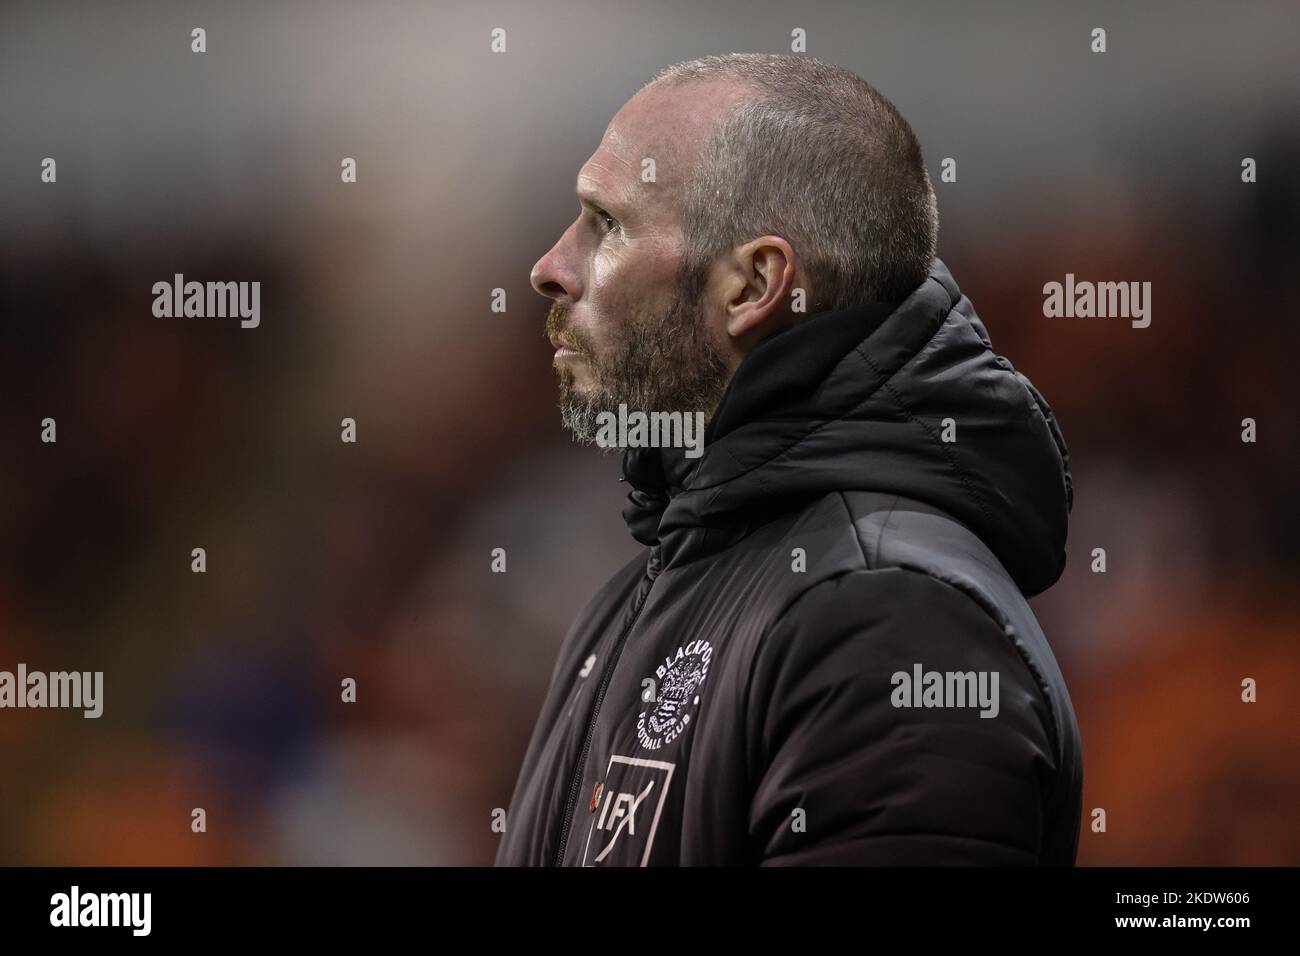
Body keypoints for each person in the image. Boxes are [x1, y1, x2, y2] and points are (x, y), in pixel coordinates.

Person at [496, 53, 1082, 866]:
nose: (549, 268)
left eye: (608, 223)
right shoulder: (653, 583)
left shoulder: (889, 620)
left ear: (755, 285)